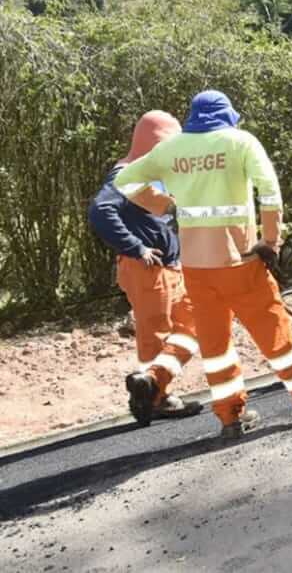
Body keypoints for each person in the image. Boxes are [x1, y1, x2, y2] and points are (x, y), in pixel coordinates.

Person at [114, 90, 292, 439]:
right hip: (240, 262)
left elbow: (125, 181)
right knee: (276, 338)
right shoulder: (240, 142)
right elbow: (269, 191)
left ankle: (230, 419)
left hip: (196, 268)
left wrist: (164, 204)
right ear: (226, 116)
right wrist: (271, 241)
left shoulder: (171, 149)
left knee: (215, 347)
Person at [88, 111, 202, 425]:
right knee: (156, 336)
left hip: (167, 269)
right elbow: (101, 211)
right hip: (147, 270)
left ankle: (152, 386)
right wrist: (136, 247)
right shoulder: (126, 174)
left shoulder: (146, 172)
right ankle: (155, 398)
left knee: (194, 323)